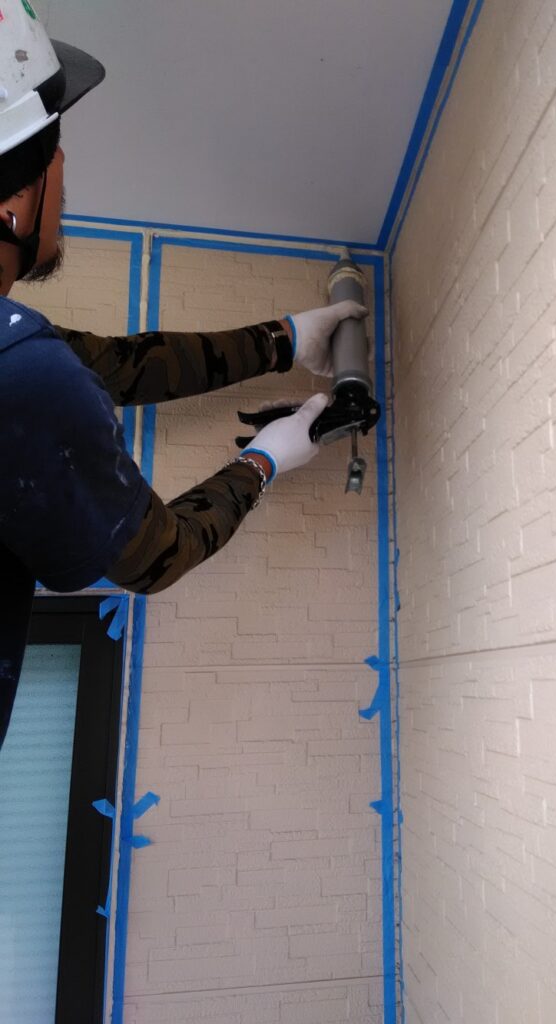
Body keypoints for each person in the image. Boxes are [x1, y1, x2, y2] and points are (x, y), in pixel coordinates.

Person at [0, 10, 366, 749]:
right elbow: (152, 555)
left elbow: (117, 364)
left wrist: (283, 340)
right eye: (56, 152)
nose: (66, 175)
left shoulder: (22, 356)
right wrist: (264, 461)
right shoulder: (21, 372)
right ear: (13, 205)